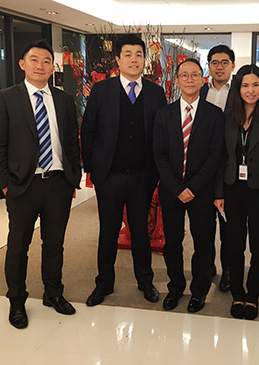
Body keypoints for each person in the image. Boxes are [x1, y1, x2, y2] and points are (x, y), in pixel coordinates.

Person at [0, 40, 82, 329]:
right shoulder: (6, 98)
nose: (40, 66)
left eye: (46, 61)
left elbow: (70, 142)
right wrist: (5, 184)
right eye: (34, 60)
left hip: (58, 184)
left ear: (52, 67)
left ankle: (53, 293)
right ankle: (17, 301)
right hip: (22, 186)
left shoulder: (65, 100)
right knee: (18, 246)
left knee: (54, 244)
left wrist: (73, 178)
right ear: (22, 64)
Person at [81, 34, 167, 306]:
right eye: (128, 54)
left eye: (139, 54)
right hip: (110, 177)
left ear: (145, 59)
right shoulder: (102, 90)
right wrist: (94, 171)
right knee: (108, 231)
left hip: (143, 176)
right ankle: (104, 283)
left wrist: (156, 174)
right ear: (118, 59)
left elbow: (162, 135)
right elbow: (89, 130)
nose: (134, 59)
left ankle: (145, 281)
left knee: (141, 231)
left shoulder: (156, 92)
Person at [153, 58, 225, 313]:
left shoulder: (215, 115)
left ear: (203, 79)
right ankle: (175, 287)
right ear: (177, 80)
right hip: (172, 191)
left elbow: (216, 156)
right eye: (185, 75)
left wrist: (192, 187)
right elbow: (158, 155)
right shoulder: (164, 114)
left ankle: (199, 290)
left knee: (203, 243)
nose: (191, 80)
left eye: (195, 75)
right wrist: (176, 188)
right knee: (172, 243)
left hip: (201, 191)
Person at [214, 64, 259, 320]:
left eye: (256, 85)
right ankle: (237, 293)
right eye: (245, 85)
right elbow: (221, 157)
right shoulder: (228, 116)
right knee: (233, 244)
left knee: (258, 246)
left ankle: (252, 295)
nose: (250, 90)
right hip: (232, 189)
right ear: (237, 88)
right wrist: (217, 193)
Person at [200, 44, 236, 292]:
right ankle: (207, 266)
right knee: (204, 224)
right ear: (209, 66)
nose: (219, 66)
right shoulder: (199, 90)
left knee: (228, 227)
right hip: (203, 167)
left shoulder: (242, 92)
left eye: (224, 62)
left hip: (230, 165)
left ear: (232, 66)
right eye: (215, 62)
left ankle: (229, 271)